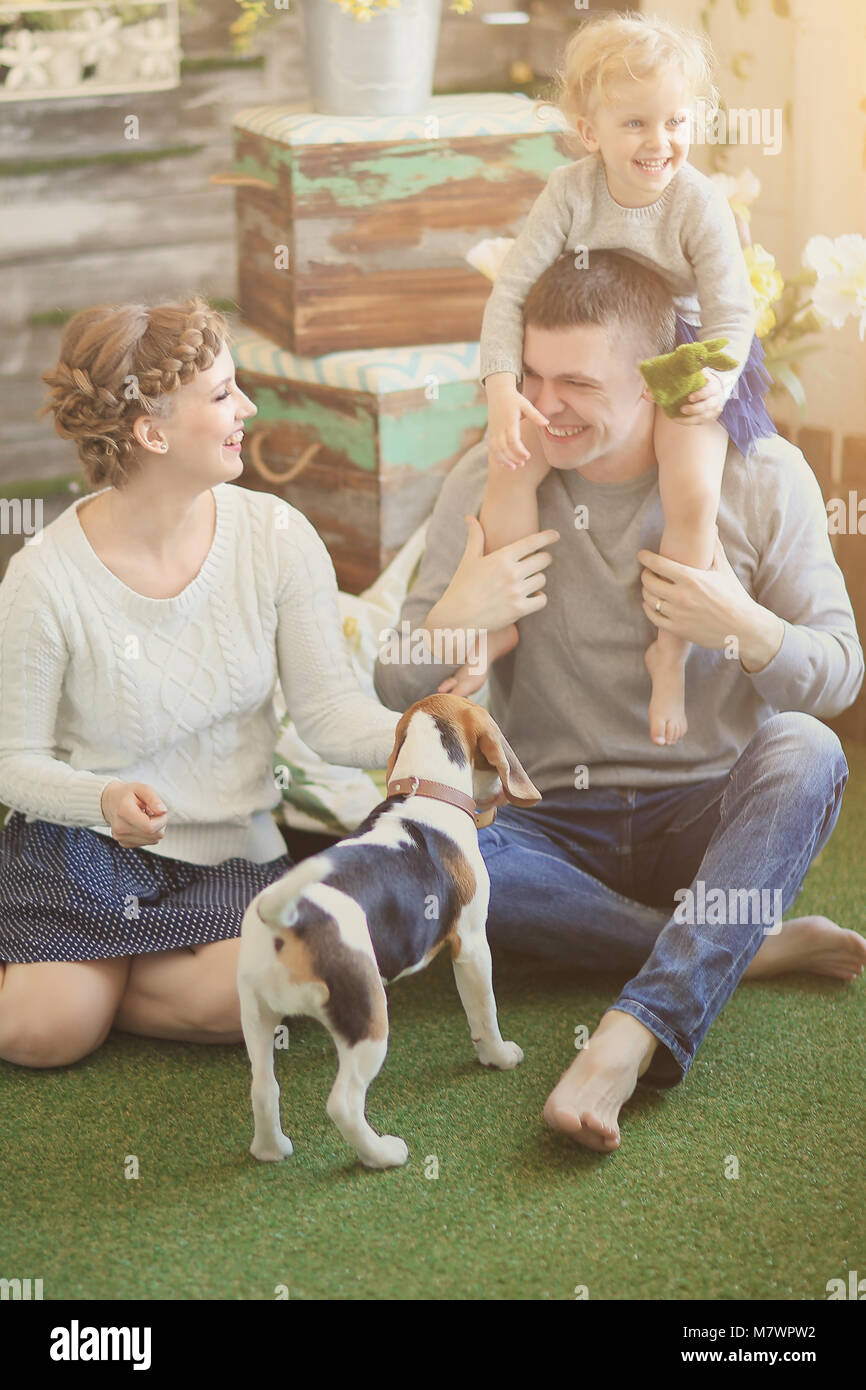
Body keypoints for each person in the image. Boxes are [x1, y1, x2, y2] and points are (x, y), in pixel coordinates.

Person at [373, 248, 866, 1154]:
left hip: (708, 816)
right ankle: (732, 941)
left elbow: (839, 673)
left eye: (576, 382)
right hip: (546, 824)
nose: (543, 404)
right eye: (529, 376)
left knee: (805, 748)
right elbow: (395, 688)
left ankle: (634, 1031)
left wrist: (744, 626)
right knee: (413, 843)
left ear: (655, 382)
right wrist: (453, 619)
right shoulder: (492, 477)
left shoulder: (763, 477)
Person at [0, 296, 400, 1069]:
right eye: (221, 395)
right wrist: (104, 800)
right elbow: (12, 761)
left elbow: (327, 714)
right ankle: (75, 987)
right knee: (45, 1034)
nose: (247, 407)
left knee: (263, 996)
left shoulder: (277, 537)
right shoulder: (43, 578)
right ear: (151, 432)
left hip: (229, 854)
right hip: (86, 847)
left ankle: (96, 978)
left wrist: (416, 732)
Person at [469, 11, 774, 748]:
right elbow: (511, 292)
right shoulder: (570, 192)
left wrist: (720, 380)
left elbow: (736, 313)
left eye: (676, 121)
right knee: (509, 464)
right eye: (636, 123)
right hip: (590, 358)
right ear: (588, 130)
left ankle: (668, 651)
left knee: (692, 487)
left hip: (688, 350)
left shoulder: (697, 200)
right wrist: (504, 389)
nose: (660, 141)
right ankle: (500, 627)